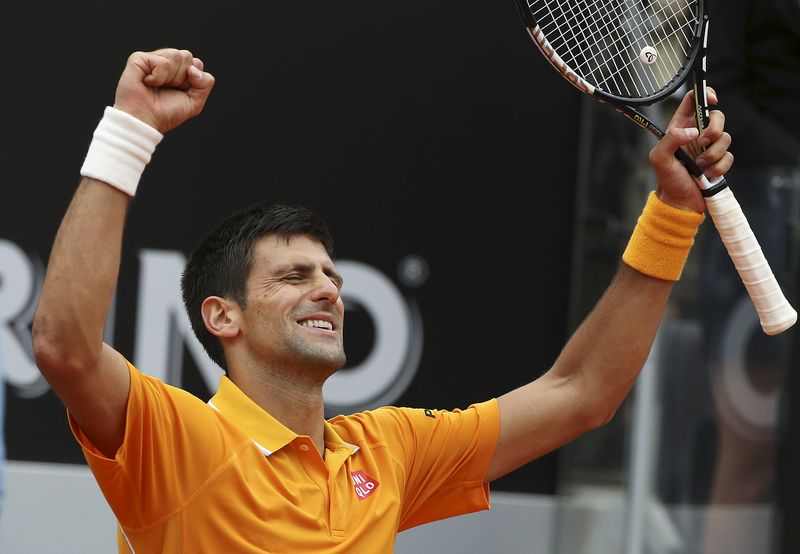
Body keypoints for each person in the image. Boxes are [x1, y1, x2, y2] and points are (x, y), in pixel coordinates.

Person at [31, 48, 733, 552]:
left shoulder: (387, 453)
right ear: (223, 317)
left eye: (332, 275)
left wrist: (673, 211)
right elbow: (65, 347)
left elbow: (582, 392)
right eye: (294, 276)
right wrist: (129, 132)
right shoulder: (176, 440)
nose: (328, 290)